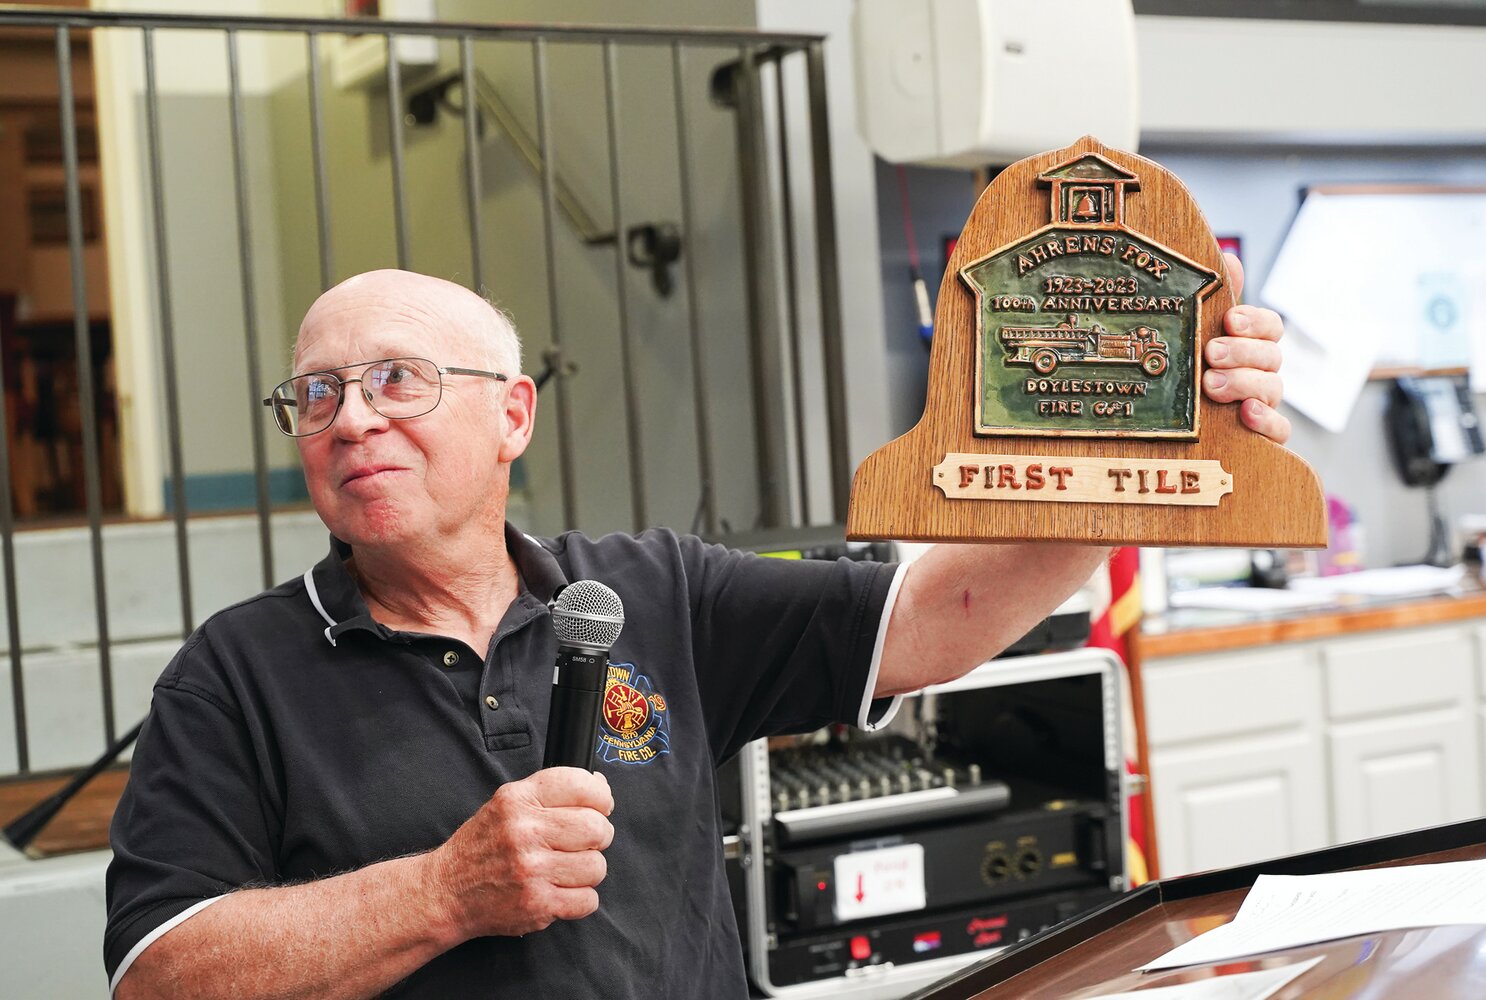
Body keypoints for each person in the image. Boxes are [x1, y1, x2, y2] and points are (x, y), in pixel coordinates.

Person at [105, 265, 1289, 999]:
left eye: (398, 379)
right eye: (317, 393)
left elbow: (937, 617)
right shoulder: (232, 676)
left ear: (512, 414)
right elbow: (160, 974)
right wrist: (443, 893)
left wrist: (1156, 446)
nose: (352, 418)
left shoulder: (654, 592)